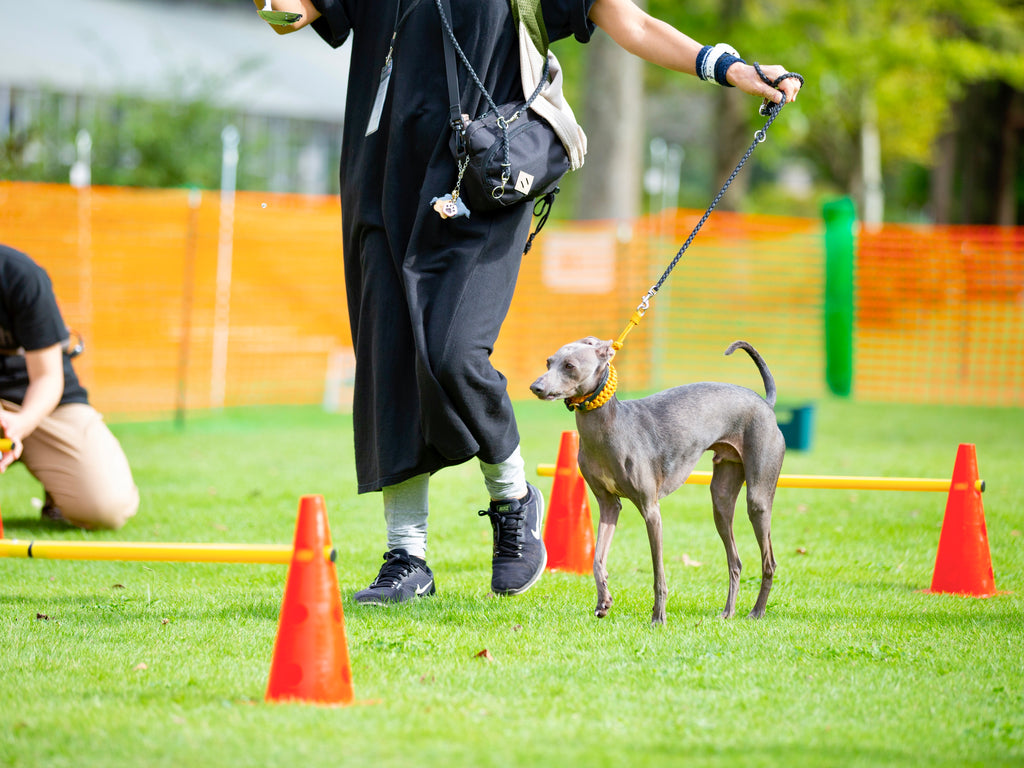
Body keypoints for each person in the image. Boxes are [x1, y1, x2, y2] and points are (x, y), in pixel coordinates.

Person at [254, 0, 802, 604]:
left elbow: (635, 23)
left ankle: (513, 499)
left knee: (452, 351)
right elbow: (295, 12)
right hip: (381, 179)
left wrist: (728, 66)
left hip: (485, 176)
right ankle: (406, 557)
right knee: (391, 360)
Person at [0, 244, 139, 530]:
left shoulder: (20, 275)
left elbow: (48, 377)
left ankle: (60, 490)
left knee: (105, 508)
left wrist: (20, 423)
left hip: (41, 401)